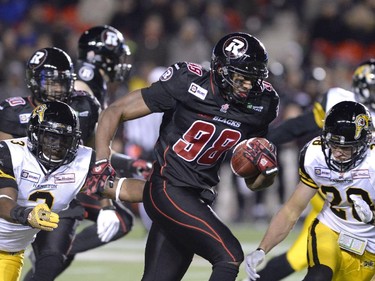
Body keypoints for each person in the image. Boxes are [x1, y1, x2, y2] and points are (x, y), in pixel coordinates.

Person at [93, 32, 279, 281]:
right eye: (242, 78)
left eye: (254, 79)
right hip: (168, 187)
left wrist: (267, 172)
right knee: (229, 255)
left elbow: (251, 182)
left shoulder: (262, 106)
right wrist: (101, 162)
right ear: (221, 70)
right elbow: (115, 111)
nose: (249, 86)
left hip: (197, 198)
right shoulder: (189, 82)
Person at [0, 46, 135, 281]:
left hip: (64, 188)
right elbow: (4, 166)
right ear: (33, 80)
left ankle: (56, 252)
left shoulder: (84, 105)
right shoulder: (12, 111)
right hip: (20, 190)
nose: (56, 89)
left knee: (51, 261)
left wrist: (106, 205)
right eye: (49, 82)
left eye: (61, 82)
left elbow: (94, 159)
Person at [253, 58, 375, 280]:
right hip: (330, 203)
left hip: (368, 225)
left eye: (345, 147)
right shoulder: (339, 109)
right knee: (304, 260)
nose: (338, 152)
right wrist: (262, 143)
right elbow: (299, 125)